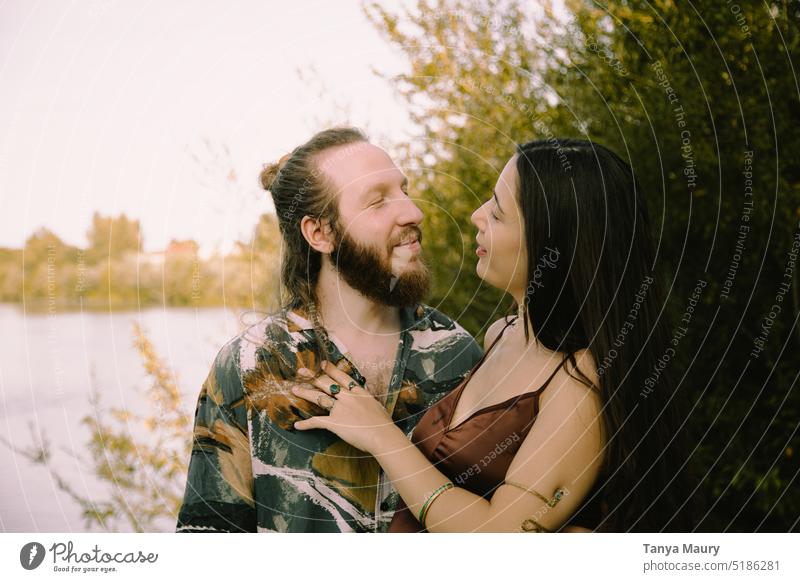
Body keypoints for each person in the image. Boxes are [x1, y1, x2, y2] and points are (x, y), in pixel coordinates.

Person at [292, 138, 694, 532]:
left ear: (551, 243)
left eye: (498, 213)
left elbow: (501, 537)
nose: (476, 216)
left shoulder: (582, 381)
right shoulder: (502, 334)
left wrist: (382, 436)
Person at [176, 127, 483, 532]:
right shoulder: (251, 365)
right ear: (320, 233)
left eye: (404, 190)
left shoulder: (455, 353)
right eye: (378, 201)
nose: (413, 212)